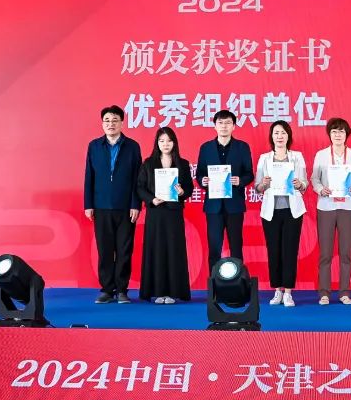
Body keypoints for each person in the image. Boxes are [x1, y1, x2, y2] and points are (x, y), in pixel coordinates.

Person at [84, 105, 142, 304]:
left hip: (126, 207)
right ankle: (107, 290)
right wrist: (88, 204)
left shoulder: (132, 146)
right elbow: (89, 176)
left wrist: (136, 204)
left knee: (124, 250)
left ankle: (122, 290)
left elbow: (137, 179)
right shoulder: (94, 146)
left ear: (122, 123)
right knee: (105, 250)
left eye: (115, 120)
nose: (111, 124)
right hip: (101, 206)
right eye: (107, 120)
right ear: (102, 124)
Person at [136, 126, 194, 304]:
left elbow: (189, 188)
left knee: (174, 250)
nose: (165, 144)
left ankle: (173, 292)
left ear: (174, 143)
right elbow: (140, 187)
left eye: (169, 140)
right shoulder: (148, 163)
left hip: (174, 213)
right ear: (157, 143)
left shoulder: (182, 164)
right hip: (156, 213)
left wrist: (182, 191)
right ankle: (157, 292)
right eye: (162, 141)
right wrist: (151, 199)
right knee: (156, 250)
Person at [254, 120, 309, 307]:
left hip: (293, 211)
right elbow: (257, 187)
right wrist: (264, 184)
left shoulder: (297, 157)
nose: (279, 136)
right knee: (274, 250)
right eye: (276, 133)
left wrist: (299, 184)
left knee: (290, 251)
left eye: (283, 133)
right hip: (271, 212)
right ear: (271, 136)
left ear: (288, 136)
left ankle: (288, 292)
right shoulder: (264, 159)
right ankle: (277, 290)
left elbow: (305, 184)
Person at [310, 117, 351, 305]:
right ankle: (324, 292)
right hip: (326, 206)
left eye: (341, 131)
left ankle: (344, 292)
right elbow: (314, 179)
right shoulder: (321, 155)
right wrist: (320, 189)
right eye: (334, 131)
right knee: (325, 252)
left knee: (346, 252)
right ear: (329, 135)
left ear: (346, 134)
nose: (338, 135)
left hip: (348, 206)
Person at [195, 110, 255, 272]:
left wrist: (240, 181)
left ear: (234, 126)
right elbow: (199, 173)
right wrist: (203, 181)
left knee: (236, 247)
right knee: (214, 248)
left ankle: (238, 282)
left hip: (234, 204)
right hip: (213, 206)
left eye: (228, 123)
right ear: (214, 126)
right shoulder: (206, 148)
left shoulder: (242, 147)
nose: (224, 126)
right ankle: (213, 283)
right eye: (220, 123)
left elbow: (249, 174)